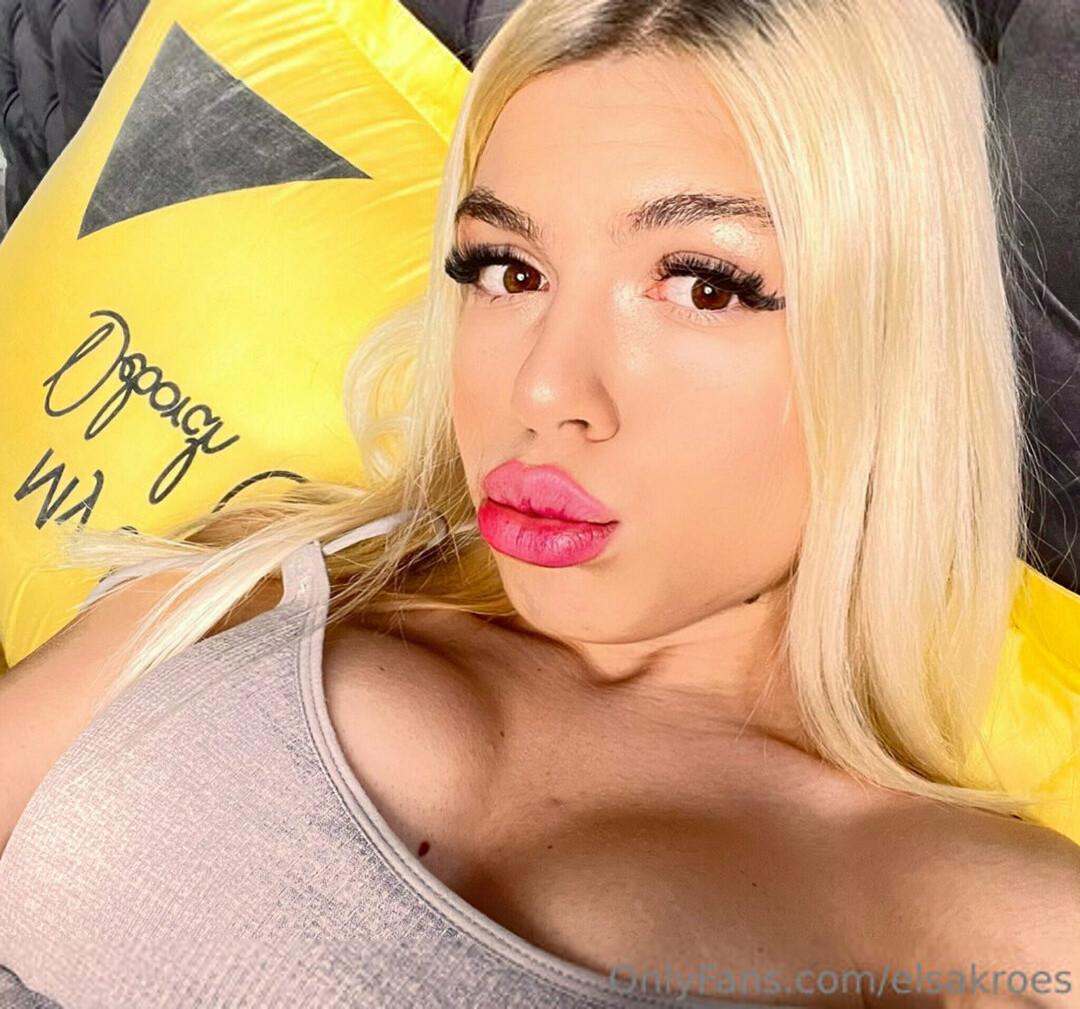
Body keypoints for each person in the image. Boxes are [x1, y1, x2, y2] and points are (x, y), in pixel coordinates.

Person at [1, 0, 1078, 1006]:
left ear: (891, 346)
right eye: (508, 270)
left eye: (703, 285)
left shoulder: (990, 926)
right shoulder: (242, 587)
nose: (544, 389)